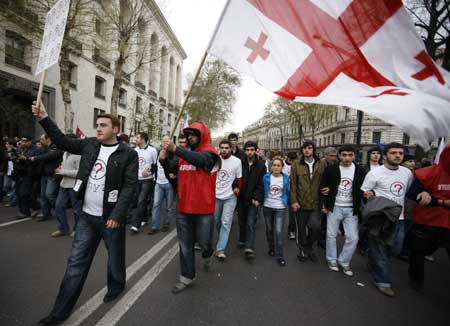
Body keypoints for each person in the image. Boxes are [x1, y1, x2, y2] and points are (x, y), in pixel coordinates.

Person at [32, 101, 138, 326]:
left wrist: (117, 216)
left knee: (115, 257)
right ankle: (58, 314)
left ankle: (116, 286)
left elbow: (130, 187)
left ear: (115, 129)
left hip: (110, 219)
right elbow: (62, 141)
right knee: (75, 265)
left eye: (103, 125)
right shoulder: (89, 145)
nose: (98, 128)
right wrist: (44, 117)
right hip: (87, 218)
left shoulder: (128, 153)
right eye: (97, 125)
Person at [159, 122, 220, 294]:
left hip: (204, 210)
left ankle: (208, 254)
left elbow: (201, 161)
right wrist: (163, 160)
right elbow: (172, 172)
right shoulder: (183, 155)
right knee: (185, 245)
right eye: (188, 134)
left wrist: (175, 148)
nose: (190, 137)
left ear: (202, 135)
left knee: (203, 242)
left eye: (194, 134)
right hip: (183, 208)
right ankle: (187, 276)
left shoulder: (211, 153)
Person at [361, 142, 413, 297]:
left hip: (400, 217)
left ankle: (373, 258)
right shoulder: (374, 173)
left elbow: (406, 190)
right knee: (380, 249)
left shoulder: (407, 173)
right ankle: (382, 281)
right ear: (385, 156)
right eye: (393, 153)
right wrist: (369, 195)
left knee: (396, 248)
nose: (397, 156)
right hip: (380, 217)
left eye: (400, 153)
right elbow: (365, 190)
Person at [406, 145, 450, 291]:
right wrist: (428, 196)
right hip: (427, 221)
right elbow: (413, 194)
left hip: (447, 224)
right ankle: (416, 281)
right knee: (418, 251)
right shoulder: (428, 173)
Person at [320, 145, 366, 276]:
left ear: (354, 156)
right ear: (339, 156)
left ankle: (344, 262)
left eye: (350, 155)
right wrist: (325, 197)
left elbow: (365, 188)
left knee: (353, 237)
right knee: (331, 235)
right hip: (334, 207)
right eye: (344, 155)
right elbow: (323, 186)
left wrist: (368, 194)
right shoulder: (331, 169)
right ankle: (331, 259)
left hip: (352, 209)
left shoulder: (360, 170)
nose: (347, 158)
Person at [290, 140, 327, 262]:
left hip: (316, 202)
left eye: (309, 148)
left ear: (313, 149)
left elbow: (326, 181)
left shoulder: (321, 164)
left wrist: (328, 190)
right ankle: (303, 250)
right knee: (301, 229)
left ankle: (308, 247)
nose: (307, 150)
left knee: (315, 227)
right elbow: (293, 184)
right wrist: (294, 201)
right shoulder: (296, 164)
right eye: (305, 148)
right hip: (301, 202)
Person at [214, 139, 242, 260]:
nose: (224, 150)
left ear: (231, 148)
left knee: (226, 222)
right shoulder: (215, 159)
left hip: (230, 197)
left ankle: (220, 249)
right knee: (216, 220)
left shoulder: (237, 161)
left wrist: (237, 190)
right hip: (215, 196)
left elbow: (239, 179)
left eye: (227, 147)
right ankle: (221, 236)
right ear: (219, 148)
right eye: (222, 147)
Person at [238, 141, 266, 259]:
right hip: (241, 198)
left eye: (252, 150)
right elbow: (236, 178)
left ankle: (249, 247)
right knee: (242, 221)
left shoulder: (261, 165)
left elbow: (261, 184)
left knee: (250, 223)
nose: (250, 152)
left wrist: (257, 197)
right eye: (247, 150)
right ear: (245, 151)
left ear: (255, 151)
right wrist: (235, 188)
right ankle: (242, 239)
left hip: (253, 199)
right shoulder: (239, 163)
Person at [52, 135, 81, 237]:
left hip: (74, 185)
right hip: (64, 184)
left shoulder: (79, 154)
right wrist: (60, 168)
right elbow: (65, 166)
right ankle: (63, 228)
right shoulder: (65, 153)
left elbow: (80, 172)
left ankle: (77, 230)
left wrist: (63, 171)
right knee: (58, 206)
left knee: (77, 210)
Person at [263, 157, 290, 267]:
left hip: (280, 207)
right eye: (274, 165)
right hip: (267, 206)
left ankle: (279, 255)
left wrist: (289, 202)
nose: (276, 167)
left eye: (278, 165)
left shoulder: (286, 178)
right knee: (269, 229)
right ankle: (271, 248)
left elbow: (289, 191)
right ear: (271, 167)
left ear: (282, 167)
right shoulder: (265, 177)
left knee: (278, 231)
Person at [31, 134, 64, 222]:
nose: (40, 141)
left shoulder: (55, 147)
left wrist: (35, 158)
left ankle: (60, 209)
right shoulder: (44, 148)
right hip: (44, 174)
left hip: (52, 175)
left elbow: (49, 156)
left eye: (42, 139)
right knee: (43, 196)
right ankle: (46, 214)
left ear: (48, 139)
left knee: (49, 195)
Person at [130, 132, 157, 234]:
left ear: (143, 139)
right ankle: (144, 219)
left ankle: (135, 225)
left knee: (140, 200)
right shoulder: (134, 151)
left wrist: (150, 171)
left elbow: (156, 165)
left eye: (137, 138)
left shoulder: (152, 151)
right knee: (141, 200)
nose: (135, 139)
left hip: (148, 180)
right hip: (137, 179)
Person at [149, 140, 178, 234]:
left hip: (169, 183)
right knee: (156, 205)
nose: (164, 145)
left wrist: (173, 173)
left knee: (168, 206)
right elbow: (156, 167)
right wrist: (151, 169)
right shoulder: (158, 153)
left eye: (167, 143)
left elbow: (174, 167)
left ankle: (166, 223)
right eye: (163, 143)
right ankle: (154, 226)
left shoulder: (173, 155)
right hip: (158, 183)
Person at [14, 136, 40, 219]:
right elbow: (16, 157)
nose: (22, 142)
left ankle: (26, 211)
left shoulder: (35, 149)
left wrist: (25, 158)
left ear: (30, 141)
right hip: (20, 173)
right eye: (22, 141)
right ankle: (31, 208)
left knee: (24, 193)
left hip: (30, 174)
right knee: (21, 193)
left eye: (25, 141)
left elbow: (36, 160)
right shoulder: (19, 148)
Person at [284, 152, 298, 240]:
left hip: (293, 192)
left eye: (294, 161)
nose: (292, 162)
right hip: (283, 192)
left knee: (293, 213)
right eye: (291, 160)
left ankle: (292, 230)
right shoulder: (282, 166)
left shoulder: (297, 166)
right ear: (287, 159)